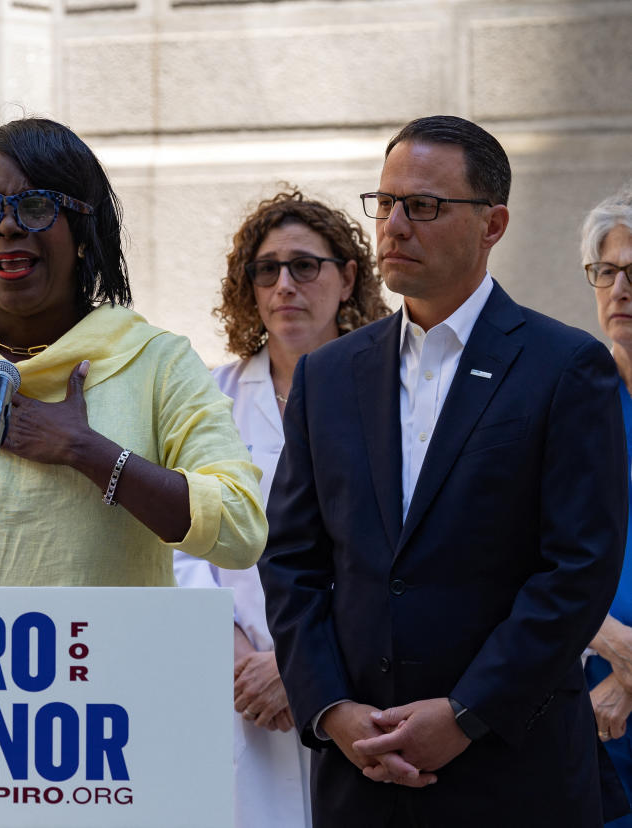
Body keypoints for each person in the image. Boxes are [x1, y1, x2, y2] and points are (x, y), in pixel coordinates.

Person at [257, 114, 629, 827]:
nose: (394, 225)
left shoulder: (563, 367)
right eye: (386, 202)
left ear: (493, 224)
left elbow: (577, 569)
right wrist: (332, 710)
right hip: (362, 771)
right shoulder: (328, 377)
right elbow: (293, 562)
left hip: (513, 771)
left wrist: (465, 715)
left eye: (423, 206)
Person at [0, 117, 266, 587]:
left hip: (105, 660)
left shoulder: (157, 364)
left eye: (36, 206)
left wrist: (86, 450)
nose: (7, 226)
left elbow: (239, 531)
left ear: (82, 234)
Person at [174, 189, 389, 828]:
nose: (284, 285)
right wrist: (237, 654)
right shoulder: (207, 399)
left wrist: (303, 666)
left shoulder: (387, 398)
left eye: (305, 265)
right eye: (266, 270)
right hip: (234, 686)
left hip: (350, 684)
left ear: (348, 277)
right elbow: (175, 543)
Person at [582, 183, 632, 827]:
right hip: (586, 705)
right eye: (606, 271)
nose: (621, 287)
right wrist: (609, 640)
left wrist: (629, 677)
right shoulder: (572, 398)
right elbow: (521, 547)